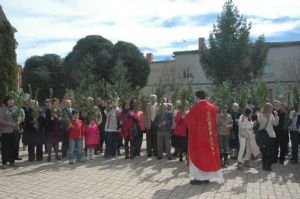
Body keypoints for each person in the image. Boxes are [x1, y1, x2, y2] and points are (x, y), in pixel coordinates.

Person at [185, 90, 222, 185]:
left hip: (199, 138)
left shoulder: (196, 108)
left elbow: (189, 121)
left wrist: (186, 114)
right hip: (210, 138)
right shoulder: (212, 107)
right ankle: (206, 178)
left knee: (199, 157)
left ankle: (199, 178)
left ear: (197, 97)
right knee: (208, 156)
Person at [257, 103, 279, 171]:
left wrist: (276, 116)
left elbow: (275, 124)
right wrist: (260, 112)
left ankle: (268, 166)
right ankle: (265, 166)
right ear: (268, 108)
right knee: (265, 151)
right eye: (271, 107)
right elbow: (259, 121)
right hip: (264, 136)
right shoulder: (260, 114)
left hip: (270, 136)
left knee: (269, 151)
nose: (272, 109)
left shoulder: (271, 115)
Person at [0, 95, 18, 169]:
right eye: (10, 100)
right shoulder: (2, 109)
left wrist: (18, 121)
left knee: (13, 147)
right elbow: (1, 121)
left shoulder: (15, 109)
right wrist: (12, 124)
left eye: (12, 100)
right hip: (6, 132)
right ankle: (4, 163)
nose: (11, 101)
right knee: (5, 148)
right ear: (6, 101)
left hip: (14, 131)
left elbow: (17, 118)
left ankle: (12, 161)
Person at [272, 100, 288, 164]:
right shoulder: (272, 112)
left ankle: (282, 159)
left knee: (282, 147)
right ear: (274, 106)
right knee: (275, 147)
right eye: (275, 105)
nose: (277, 106)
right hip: (274, 132)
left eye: (278, 105)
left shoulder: (283, 112)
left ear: (280, 106)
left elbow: (281, 122)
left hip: (282, 132)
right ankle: (274, 159)